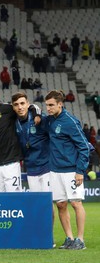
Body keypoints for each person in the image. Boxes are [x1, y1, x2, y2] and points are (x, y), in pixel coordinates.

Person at [45, 90, 89, 250]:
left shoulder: (70, 121)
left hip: (71, 170)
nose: (48, 108)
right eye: (46, 105)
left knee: (76, 203)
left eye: (51, 105)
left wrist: (80, 170)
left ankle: (80, 239)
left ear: (60, 104)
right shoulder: (50, 121)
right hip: (55, 170)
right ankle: (70, 238)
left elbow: (84, 147)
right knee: (61, 205)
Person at [0, 84, 40, 192]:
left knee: (15, 199)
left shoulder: (7, 109)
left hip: (11, 164)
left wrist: (37, 114)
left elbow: (29, 107)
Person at [11, 92, 50, 192]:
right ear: (13, 107)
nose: (20, 107)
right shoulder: (12, 122)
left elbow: (55, 135)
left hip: (46, 166)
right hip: (30, 168)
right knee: (37, 203)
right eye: (16, 105)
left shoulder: (40, 119)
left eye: (22, 103)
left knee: (48, 202)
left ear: (28, 104)